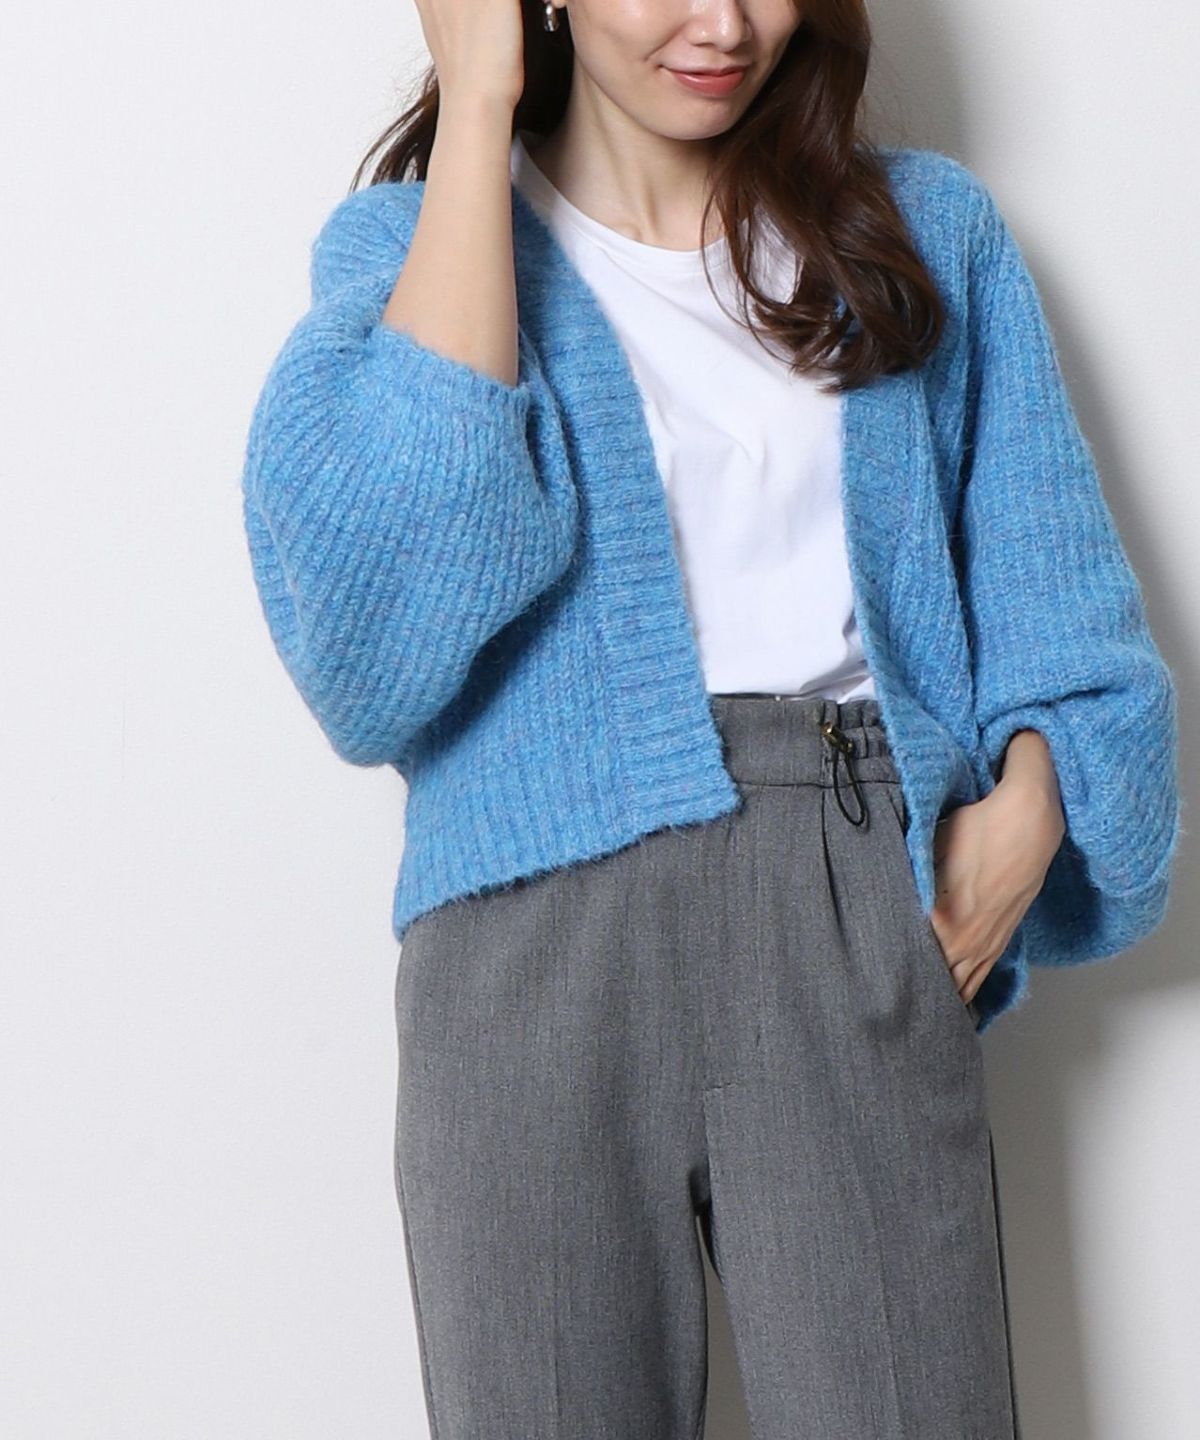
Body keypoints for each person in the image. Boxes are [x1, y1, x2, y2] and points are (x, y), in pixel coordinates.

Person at [239, 1, 1182, 1435]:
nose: (726, 24)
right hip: (527, 954)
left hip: (850, 909)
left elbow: (1067, 619)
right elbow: (369, 655)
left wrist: (1019, 829)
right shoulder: (411, 251)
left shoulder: (923, 237)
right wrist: (477, 100)